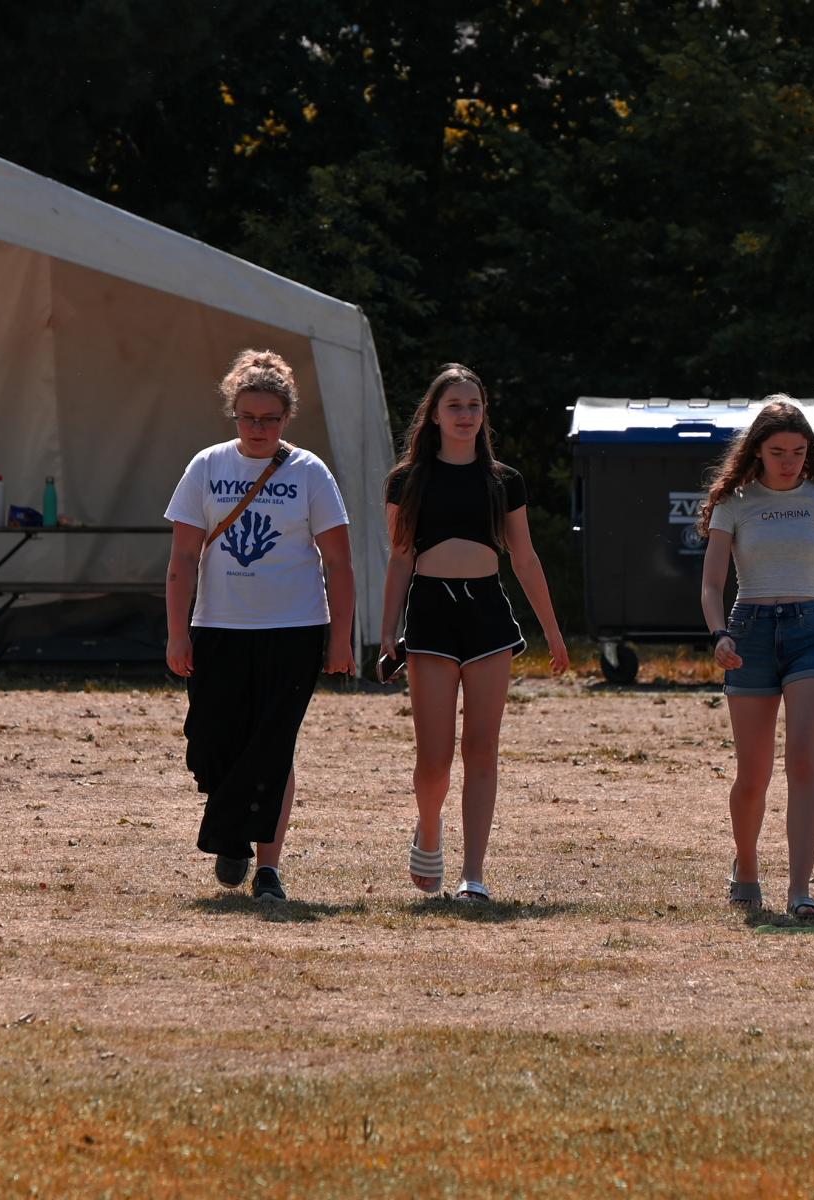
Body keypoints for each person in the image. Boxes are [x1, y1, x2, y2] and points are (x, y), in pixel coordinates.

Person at [164, 349, 356, 902]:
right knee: (211, 742)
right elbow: (182, 558)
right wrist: (177, 632)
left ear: (287, 417)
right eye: (247, 417)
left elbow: (339, 562)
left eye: (270, 418)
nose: (258, 428)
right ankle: (231, 833)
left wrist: (341, 638)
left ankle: (267, 866)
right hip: (219, 627)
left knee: (273, 745)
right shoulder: (207, 466)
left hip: (294, 628)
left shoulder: (309, 472)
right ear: (233, 414)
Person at [379, 363, 569, 901]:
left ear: (484, 413)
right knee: (434, 756)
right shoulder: (406, 480)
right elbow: (400, 558)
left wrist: (554, 632)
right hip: (430, 615)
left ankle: (474, 874)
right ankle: (429, 827)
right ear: (434, 416)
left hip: (487, 615)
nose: (465, 415)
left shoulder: (504, 481)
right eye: (454, 406)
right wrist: (388, 630)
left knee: (482, 749)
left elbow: (524, 558)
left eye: (474, 405)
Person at [697, 398, 814, 920]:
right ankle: (746, 865)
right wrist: (720, 635)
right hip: (750, 633)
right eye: (778, 452)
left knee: (804, 758)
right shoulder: (734, 504)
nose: (789, 461)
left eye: (798, 451)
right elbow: (712, 583)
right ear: (757, 452)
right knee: (754, 773)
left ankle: (801, 889)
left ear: (811, 452)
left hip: (809, 631)